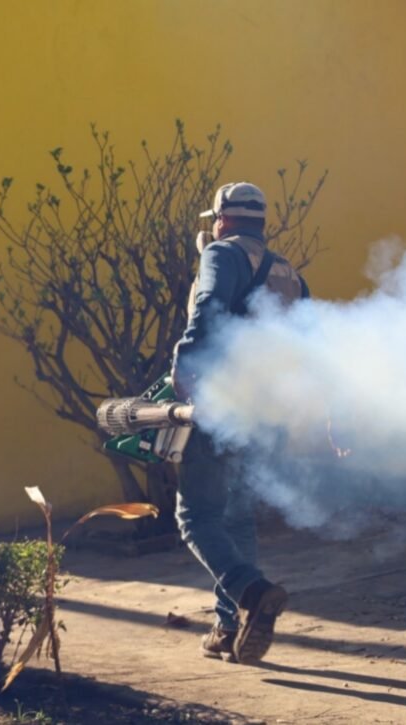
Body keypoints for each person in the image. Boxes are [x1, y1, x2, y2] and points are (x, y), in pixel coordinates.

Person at [170, 181, 309, 664]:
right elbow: (312, 342)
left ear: (223, 220)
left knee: (196, 517)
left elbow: (208, 308)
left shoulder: (222, 254)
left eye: (216, 221)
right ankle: (229, 627)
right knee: (237, 516)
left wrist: (184, 364)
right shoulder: (287, 272)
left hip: (222, 404)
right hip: (265, 411)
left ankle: (251, 592)